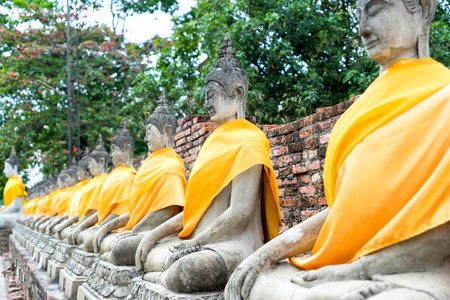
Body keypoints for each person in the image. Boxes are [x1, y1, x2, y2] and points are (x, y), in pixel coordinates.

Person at [225, 0, 450, 299]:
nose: (362, 29)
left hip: (422, 267)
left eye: (375, 9)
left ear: (421, 8)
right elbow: (346, 211)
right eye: (358, 15)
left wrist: (359, 270)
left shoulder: (444, 96)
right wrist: (266, 253)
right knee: (258, 281)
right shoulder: (363, 111)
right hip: (356, 264)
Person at [135, 33, 281, 293]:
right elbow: (194, 212)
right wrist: (153, 234)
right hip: (199, 241)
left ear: (237, 94)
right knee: (138, 249)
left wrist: (196, 243)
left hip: (232, 245)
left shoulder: (250, 142)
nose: (206, 103)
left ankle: (165, 276)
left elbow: (239, 213)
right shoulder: (211, 144)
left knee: (185, 271)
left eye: (212, 95)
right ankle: (167, 267)